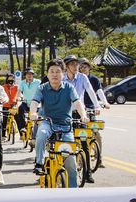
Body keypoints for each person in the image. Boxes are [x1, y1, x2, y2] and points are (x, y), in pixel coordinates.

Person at [29, 59, 90, 187]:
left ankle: (73, 192)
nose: (54, 74)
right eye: (52, 71)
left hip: (66, 126)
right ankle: (39, 163)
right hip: (48, 122)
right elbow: (34, 102)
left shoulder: (69, 87)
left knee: (71, 164)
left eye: (58, 71)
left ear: (63, 73)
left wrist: (83, 115)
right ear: (47, 74)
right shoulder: (42, 88)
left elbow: (77, 103)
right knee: (41, 133)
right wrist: (33, 113)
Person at [18, 67, 41, 138]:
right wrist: (19, 97)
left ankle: (38, 133)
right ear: (25, 75)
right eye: (28, 74)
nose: (29, 76)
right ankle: (23, 127)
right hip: (26, 103)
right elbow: (19, 92)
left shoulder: (38, 82)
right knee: (20, 108)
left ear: (33, 75)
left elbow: (42, 91)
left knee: (39, 118)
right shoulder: (22, 82)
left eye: (31, 74)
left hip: (36, 103)